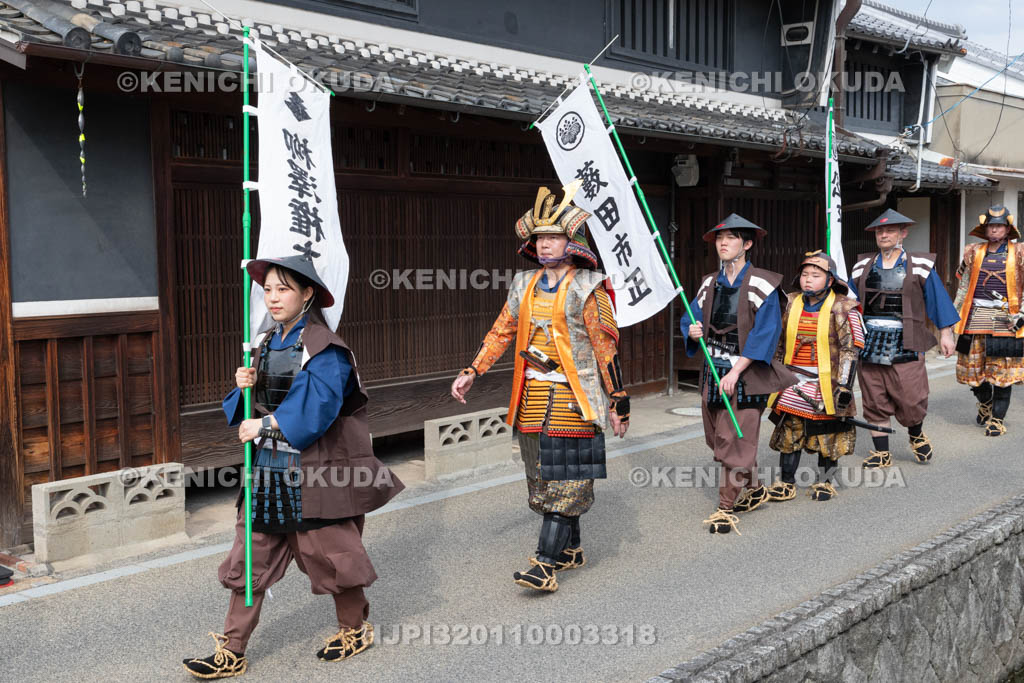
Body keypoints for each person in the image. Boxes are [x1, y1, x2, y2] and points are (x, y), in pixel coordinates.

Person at [183, 255, 404, 679]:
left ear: (307, 294)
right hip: (269, 470)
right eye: (267, 289)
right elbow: (252, 405)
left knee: (332, 555)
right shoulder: (265, 343)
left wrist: (263, 423)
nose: (273, 297)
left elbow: (317, 409)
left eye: (283, 288)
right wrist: (243, 387)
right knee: (250, 558)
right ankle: (232, 648)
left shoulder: (325, 347)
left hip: (316, 470)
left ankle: (354, 629)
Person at [450, 180, 628, 593]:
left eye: (553, 236)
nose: (544, 244)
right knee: (544, 480)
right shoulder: (523, 284)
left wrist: (619, 401)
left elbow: (606, 347)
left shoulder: (590, 286)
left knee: (569, 479)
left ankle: (544, 564)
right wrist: (472, 370)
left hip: (574, 396)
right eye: (540, 237)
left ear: (573, 240)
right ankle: (570, 549)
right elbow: (501, 331)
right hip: (530, 395)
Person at [679, 214, 794, 535]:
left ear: (747, 244)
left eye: (730, 238)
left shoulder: (763, 283)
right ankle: (755, 488)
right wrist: (692, 330)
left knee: (733, 439)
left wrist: (737, 370)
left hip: (747, 375)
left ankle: (724, 508)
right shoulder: (708, 283)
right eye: (719, 238)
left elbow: (766, 334)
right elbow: (689, 316)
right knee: (720, 438)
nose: (723, 243)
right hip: (712, 372)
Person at [847, 209, 959, 467]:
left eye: (890, 230)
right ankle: (882, 452)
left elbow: (937, 299)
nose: (883, 234)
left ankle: (916, 434)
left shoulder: (920, 264)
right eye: (879, 231)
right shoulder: (862, 266)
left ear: (903, 233)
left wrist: (946, 332)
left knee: (911, 397)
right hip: (869, 339)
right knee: (874, 397)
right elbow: (849, 301)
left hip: (905, 338)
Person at [766, 251, 865, 502]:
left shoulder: (844, 308)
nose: (808, 279)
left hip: (828, 381)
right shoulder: (788, 302)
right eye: (805, 274)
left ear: (830, 280)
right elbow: (776, 340)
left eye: (816, 275)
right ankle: (786, 482)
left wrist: (844, 385)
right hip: (791, 379)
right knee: (789, 430)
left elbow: (850, 349)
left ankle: (826, 481)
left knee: (828, 433)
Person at [952, 205, 1024, 436]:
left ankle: (997, 420)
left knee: (1003, 374)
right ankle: (985, 401)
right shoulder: (973, 251)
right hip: (974, 317)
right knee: (971, 372)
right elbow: (963, 285)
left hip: (1007, 318)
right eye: (991, 226)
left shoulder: (1020, 252)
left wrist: (1022, 315)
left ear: (1007, 228)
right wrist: (952, 315)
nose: (994, 230)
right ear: (985, 229)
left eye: (999, 225)